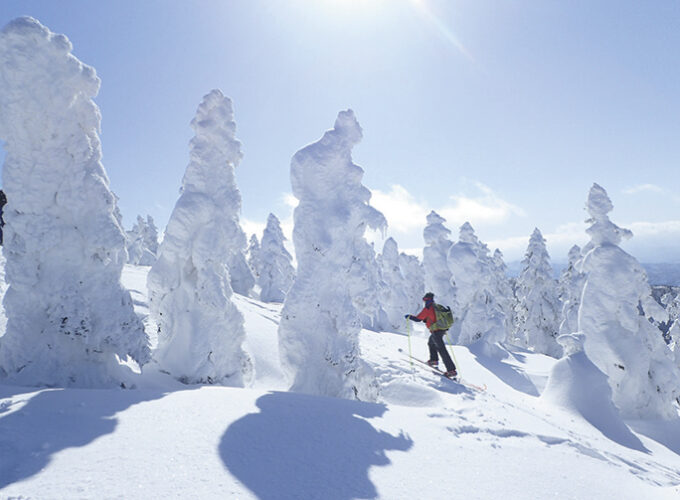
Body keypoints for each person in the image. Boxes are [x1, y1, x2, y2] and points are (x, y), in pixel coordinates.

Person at [405, 292, 457, 378]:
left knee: (442, 349)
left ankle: (451, 370)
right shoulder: (435, 307)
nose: (424, 301)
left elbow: (418, 319)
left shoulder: (428, 309)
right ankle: (434, 360)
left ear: (427, 300)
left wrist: (409, 316)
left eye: (425, 300)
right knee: (431, 343)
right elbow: (429, 318)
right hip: (440, 330)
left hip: (437, 331)